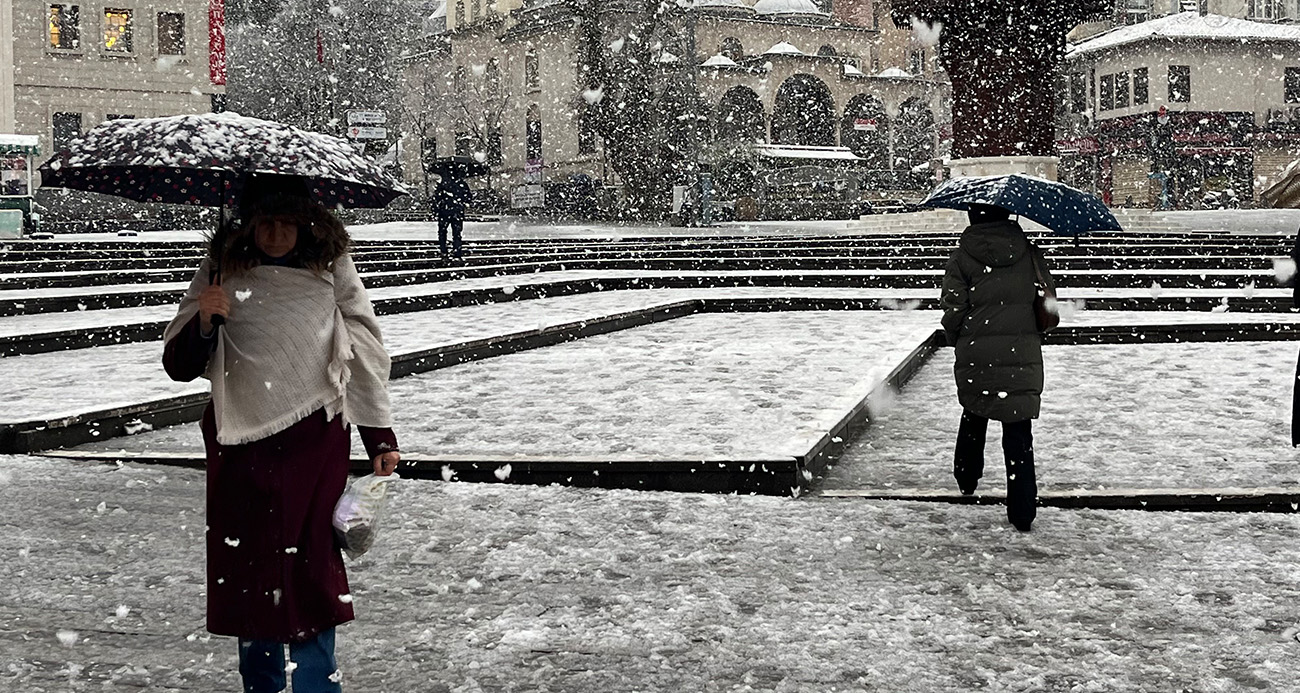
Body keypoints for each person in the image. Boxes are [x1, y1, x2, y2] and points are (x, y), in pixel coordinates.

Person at [162, 178, 400, 692]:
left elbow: (360, 346)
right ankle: (262, 685)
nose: (274, 234)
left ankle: (317, 684)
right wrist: (206, 321)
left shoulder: (331, 271)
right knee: (251, 577)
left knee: (311, 574)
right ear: (246, 224)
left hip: (315, 442)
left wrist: (379, 436)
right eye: (264, 222)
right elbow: (179, 365)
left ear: (306, 225)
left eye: (285, 222)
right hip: (239, 445)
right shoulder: (222, 271)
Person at [940, 203, 1055, 532]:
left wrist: (958, 334)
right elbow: (1049, 303)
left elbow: (953, 307)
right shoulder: (1030, 255)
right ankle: (1022, 510)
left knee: (974, 410)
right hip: (1021, 352)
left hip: (977, 350)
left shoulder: (962, 257)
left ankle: (967, 476)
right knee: (1018, 431)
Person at [433, 173, 471, 261]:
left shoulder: (442, 184)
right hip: (456, 212)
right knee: (456, 233)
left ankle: (444, 251)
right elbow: (468, 197)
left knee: (443, 232)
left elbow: (436, 198)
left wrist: (437, 209)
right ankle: (456, 252)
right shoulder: (461, 184)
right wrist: (461, 203)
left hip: (444, 212)